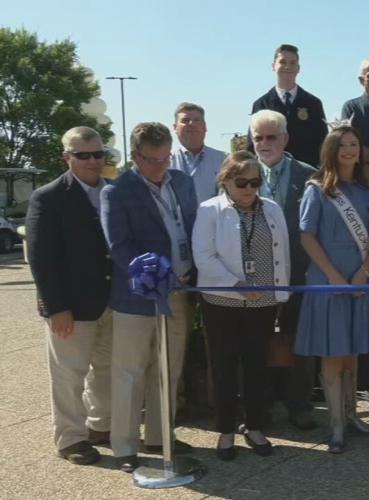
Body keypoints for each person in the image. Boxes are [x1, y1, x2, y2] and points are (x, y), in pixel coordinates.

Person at [100, 122, 198, 473]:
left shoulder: (182, 182)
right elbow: (119, 246)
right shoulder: (117, 191)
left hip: (179, 292)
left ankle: (160, 436)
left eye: (165, 157)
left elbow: (192, 228)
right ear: (135, 156)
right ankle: (124, 446)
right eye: (152, 160)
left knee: (168, 369)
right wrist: (152, 275)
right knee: (130, 371)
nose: (160, 166)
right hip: (137, 297)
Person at [192, 151, 290, 461]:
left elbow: (282, 254)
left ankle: (256, 426)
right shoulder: (210, 210)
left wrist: (280, 294)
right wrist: (236, 286)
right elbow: (204, 257)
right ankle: (225, 431)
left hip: (261, 303)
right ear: (226, 181)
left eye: (255, 182)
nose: (249, 189)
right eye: (242, 182)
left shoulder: (271, 209)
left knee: (256, 367)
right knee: (223, 367)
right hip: (222, 302)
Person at [26, 126, 113, 465]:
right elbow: (41, 258)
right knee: (68, 375)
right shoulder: (48, 197)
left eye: (98, 153)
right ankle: (70, 438)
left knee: (106, 370)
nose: (92, 161)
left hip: (112, 301)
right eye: (83, 155)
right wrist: (55, 306)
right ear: (67, 157)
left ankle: (99, 426)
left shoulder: (114, 191)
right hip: (71, 307)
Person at [295, 126, 369, 453]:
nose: (349, 150)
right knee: (333, 355)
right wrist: (334, 276)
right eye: (342, 145)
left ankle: (352, 414)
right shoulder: (316, 190)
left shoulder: (365, 189)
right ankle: (335, 426)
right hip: (327, 283)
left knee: (352, 355)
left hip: (359, 281)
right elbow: (306, 236)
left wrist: (363, 272)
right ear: (331, 150)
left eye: (354, 144)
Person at [249, 109, 318, 429]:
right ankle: (260, 407)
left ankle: (300, 405)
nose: (264, 143)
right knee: (257, 343)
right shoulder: (241, 174)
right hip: (256, 277)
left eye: (271, 136)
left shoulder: (310, 176)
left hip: (299, 274)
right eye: (258, 137)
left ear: (285, 139)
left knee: (300, 342)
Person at [248, 44, 327, 166]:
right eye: (282, 62)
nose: (287, 66)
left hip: (306, 173)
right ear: (273, 66)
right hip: (271, 173)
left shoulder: (313, 103)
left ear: (298, 68)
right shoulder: (261, 104)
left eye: (292, 63)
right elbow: (251, 144)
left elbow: (323, 143)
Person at [169, 102, 227, 203]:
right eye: (185, 120)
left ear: (205, 126)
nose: (191, 124)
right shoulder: (164, 161)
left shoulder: (224, 160)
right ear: (175, 128)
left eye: (196, 120)